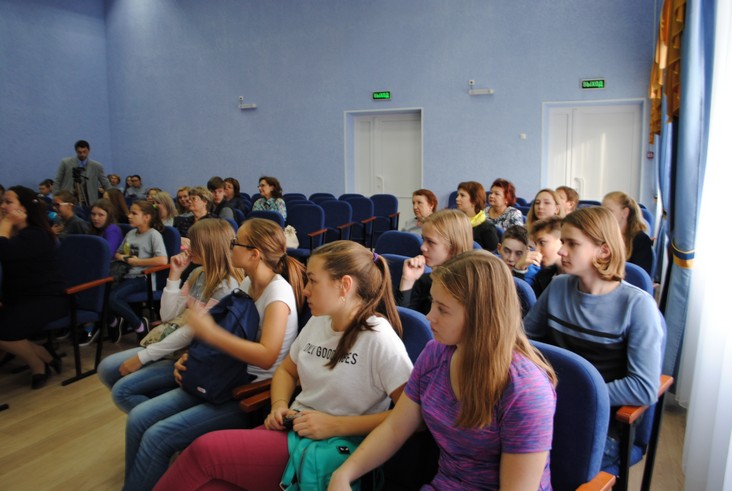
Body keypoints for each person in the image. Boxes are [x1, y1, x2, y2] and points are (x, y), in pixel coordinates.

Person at [153, 240, 413, 491]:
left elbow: (411, 417)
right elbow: (287, 371)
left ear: (344, 285)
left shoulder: (379, 338)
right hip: (296, 429)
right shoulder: (319, 321)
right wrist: (279, 405)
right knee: (210, 486)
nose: (306, 290)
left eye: (313, 281)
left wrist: (337, 425)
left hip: (335, 445)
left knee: (203, 452)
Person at [329, 250, 557, 490]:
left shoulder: (527, 391)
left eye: (443, 309)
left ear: (481, 316)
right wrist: (344, 474)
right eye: (432, 303)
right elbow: (396, 428)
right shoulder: (436, 353)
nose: (430, 317)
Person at [123, 217, 307, 491]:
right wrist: (194, 356)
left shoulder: (278, 294)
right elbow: (229, 330)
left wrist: (210, 335)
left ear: (254, 254)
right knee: (139, 418)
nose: (230, 247)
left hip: (247, 390)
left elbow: (267, 356)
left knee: (157, 436)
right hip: (224, 374)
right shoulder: (249, 283)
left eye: (236, 243)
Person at [523, 207, 663, 469]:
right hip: (548, 409)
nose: (561, 251)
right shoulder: (558, 287)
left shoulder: (637, 306)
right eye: (562, 242)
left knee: (532, 465)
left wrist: (575, 395)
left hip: (599, 425)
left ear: (604, 251)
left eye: (572, 244)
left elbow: (643, 388)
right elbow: (523, 343)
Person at [98, 219, 242, 411]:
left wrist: (143, 357)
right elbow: (168, 315)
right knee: (107, 368)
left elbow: (191, 333)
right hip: (173, 344)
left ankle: (153, 416)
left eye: (192, 243)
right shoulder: (198, 273)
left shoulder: (227, 286)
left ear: (208, 247)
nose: (187, 247)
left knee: (122, 390)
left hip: (190, 353)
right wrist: (174, 274)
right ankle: (155, 412)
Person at [0, 186, 66, 389]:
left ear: (24, 208)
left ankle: (39, 365)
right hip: (21, 297)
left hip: (47, 299)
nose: (3, 206)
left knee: (3, 333)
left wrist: (5, 223)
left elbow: (2, 251)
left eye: (8, 202)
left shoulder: (37, 235)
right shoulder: (17, 233)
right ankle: (45, 354)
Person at [107, 200, 168, 344]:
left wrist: (138, 262)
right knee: (100, 294)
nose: (129, 216)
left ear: (146, 217)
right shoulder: (131, 233)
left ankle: (139, 326)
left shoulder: (153, 235)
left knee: (112, 298)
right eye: (130, 212)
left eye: (134, 213)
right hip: (125, 274)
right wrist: (124, 258)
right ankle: (114, 321)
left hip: (142, 278)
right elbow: (118, 253)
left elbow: (162, 260)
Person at [396, 209, 472, 314]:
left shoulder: (470, 287)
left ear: (454, 245)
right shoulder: (424, 281)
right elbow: (402, 320)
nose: (422, 247)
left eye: (430, 242)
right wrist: (407, 281)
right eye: (423, 240)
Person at [602, 191, 654, 276]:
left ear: (625, 213)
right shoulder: (601, 235)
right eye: (602, 211)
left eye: (609, 211)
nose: (604, 215)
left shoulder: (640, 240)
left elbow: (638, 276)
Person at [54, 139, 110, 207]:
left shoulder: (97, 166)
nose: (82, 154)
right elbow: (57, 181)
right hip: (68, 199)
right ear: (76, 151)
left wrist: (111, 197)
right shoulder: (65, 163)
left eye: (84, 152)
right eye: (79, 152)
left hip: (90, 201)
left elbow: (105, 183)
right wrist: (56, 198)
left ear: (89, 151)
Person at [455, 181, 499, 251]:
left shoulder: (487, 227)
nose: (457, 199)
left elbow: (494, 254)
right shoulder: (456, 222)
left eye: (462, 195)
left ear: (474, 201)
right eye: (458, 195)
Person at [528, 216, 564, 298]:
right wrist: (519, 270)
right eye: (536, 244)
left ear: (562, 241)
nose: (537, 250)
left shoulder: (581, 281)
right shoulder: (543, 276)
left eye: (542, 243)